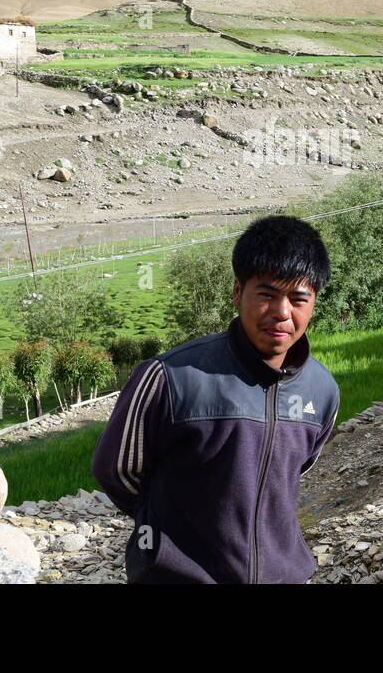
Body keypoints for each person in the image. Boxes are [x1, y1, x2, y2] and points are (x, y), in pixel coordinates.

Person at [91, 214, 341, 584]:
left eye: (298, 298)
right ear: (238, 292)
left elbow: (294, 471)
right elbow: (116, 471)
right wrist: (170, 533)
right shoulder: (169, 377)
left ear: (313, 302)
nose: (282, 312)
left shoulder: (322, 390)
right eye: (267, 295)